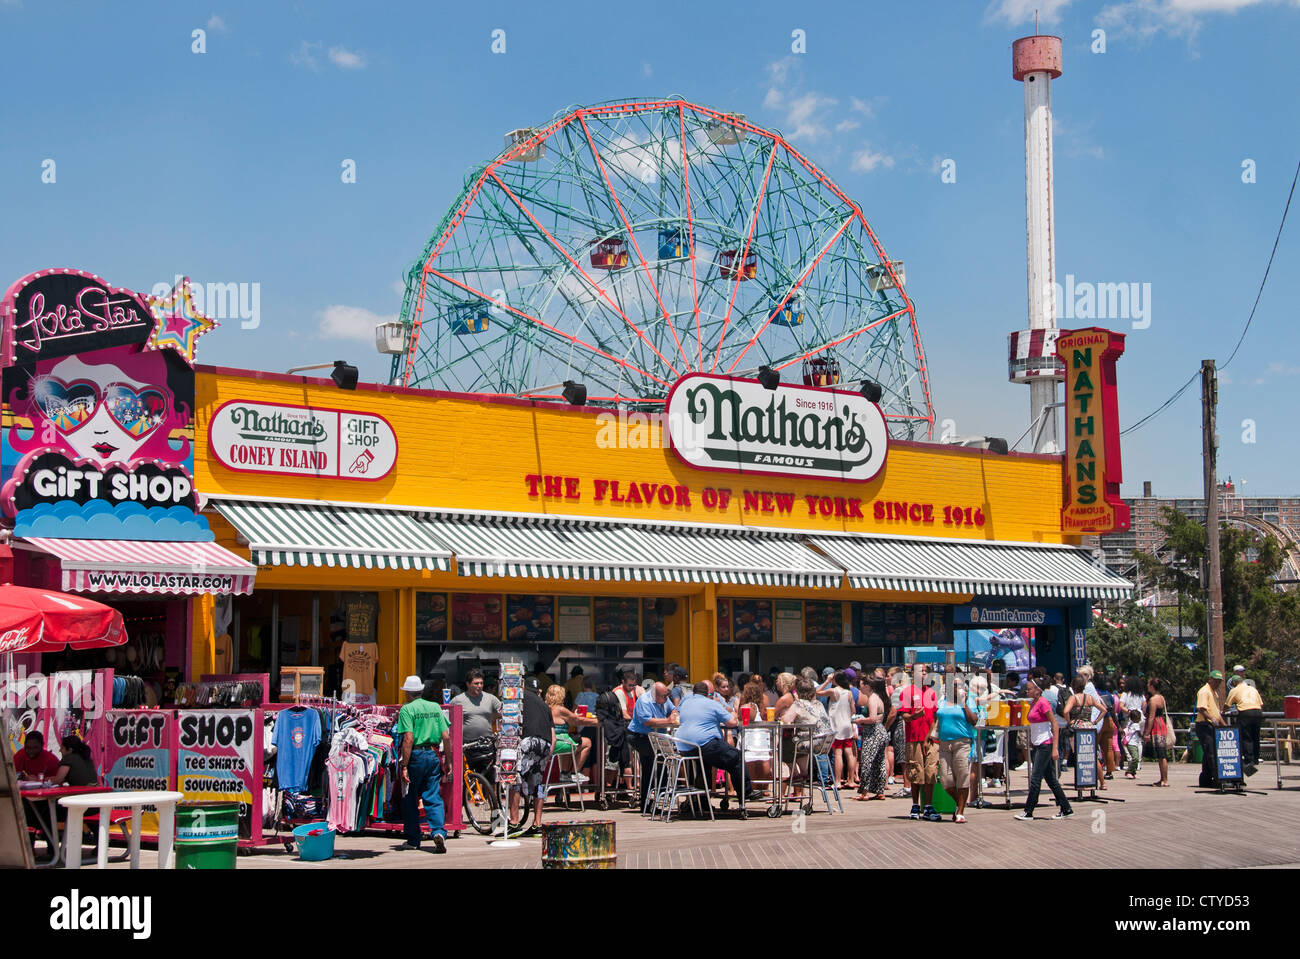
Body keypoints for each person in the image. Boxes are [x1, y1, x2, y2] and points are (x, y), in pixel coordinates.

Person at [674, 681, 757, 807]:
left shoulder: (686, 702)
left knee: (705, 764)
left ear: (693, 692)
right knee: (736, 757)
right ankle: (746, 793)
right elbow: (732, 722)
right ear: (708, 693)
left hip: (684, 746)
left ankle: (701, 801)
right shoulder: (712, 703)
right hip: (704, 743)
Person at [395, 676, 451, 853]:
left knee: (410, 798)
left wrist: (404, 765)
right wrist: (448, 760)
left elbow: (408, 738)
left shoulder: (406, 710)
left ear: (407, 694)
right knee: (433, 796)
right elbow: (446, 736)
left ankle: (413, 839)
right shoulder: (435, 707)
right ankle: (438, 832)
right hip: (433, 755)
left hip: (416, 757)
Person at [1014, 676, 1074, 821]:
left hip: (1045, 745)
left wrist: (1054, 749)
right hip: (1038, 744)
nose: (1026, 691)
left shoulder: (1043, 703)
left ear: (1037, 691)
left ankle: (1028, 811)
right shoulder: (1034, 703)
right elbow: (1035, 725)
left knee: (1035, 779)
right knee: (1051, 779)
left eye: (1029, 689)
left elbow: (1054, 725)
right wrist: (1031, 741)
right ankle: (1066, 808)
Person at [510, 677, 555, 833]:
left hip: (527, 741)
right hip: (545, 744)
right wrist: (547, 755)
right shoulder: (545, 706)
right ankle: (537, 824)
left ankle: (514, 823)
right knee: (538, 784)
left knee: (515, 780)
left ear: (523, 687)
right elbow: (553, 736)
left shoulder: (520, 698)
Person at [627, 681, 678, 811]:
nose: (666, 699)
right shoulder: (644, 701)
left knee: (658, 762)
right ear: (655, 695)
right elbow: (647, 721)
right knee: (652, 763)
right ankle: (646, 801)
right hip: (640, 736)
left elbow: (673, 708)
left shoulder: (664, 698)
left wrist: (673, 714)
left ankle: (658, 795)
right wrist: (667, 721)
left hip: (655, 736)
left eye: (667, 696)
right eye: (663, 696)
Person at [781, 676, 835, 799]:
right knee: (797, 742)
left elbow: (786, 720)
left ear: (798, 692)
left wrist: (783, 717)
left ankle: (795, 773)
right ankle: (803, 773)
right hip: (825, 742)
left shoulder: (799, 704)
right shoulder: (819, 703)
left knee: (784, 745)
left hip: (810, 742)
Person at [934, 678, 979, 823]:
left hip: (962, 742)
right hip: (945, 743)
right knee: (946, 780)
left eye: (957, 685)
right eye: (952, 684)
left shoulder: (969, 700)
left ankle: (960, 811)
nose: (954, 687)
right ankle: (960, 803)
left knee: (962, 776)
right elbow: (938, 720)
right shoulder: (942, 700)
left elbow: (974, 720)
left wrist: (963, 703)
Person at [898, 667, 940, 822]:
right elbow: (905, 716)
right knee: (916, 772)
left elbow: (935, 717)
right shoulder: (907, 692)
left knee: (930, 772)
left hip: (929, 740)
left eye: (925, 671)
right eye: (920, 671)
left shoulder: (932, 693)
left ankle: (928, 806)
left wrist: (928, 738)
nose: (923, 674)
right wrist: (915, 715)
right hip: (914, 739)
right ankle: (915, 804)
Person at [596, 671, 638, 795]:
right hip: (616, 730)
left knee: (627, 760)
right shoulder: (619, 692)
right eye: (629, 685)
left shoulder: (632, 692)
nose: (631, 688)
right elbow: (624, 713)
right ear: (623, 682)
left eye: (633, 685)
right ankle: (608, 787)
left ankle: (630, 788)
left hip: (627, 729)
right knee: (612, 760)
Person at [545, 683, 598, 781]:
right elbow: (577, 721)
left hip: (551, 741)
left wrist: (574, 715)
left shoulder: (545, 708)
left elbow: (572, 718)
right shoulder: (560, 709)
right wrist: (598, 722)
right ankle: (575, 772)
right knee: (587, 742)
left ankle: (565, 773)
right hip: (559, 743)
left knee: (571, 742)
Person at [1064, 674, 1108, 788]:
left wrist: (1070, 722)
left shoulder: (1073, 698)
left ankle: (1082, 783)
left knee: (1079, 756)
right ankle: (1102, 783)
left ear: (1073, 686)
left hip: (1078, 727)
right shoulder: (1090, 697)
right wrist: (1095, 721)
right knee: (1093, 755)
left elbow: (1065, 711)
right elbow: (1104, 710)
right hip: (1089, 727)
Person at [820, 671, 859, 789]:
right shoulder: (849, 693)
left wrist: (827, 681)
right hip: (847, 724)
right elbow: (853, 710)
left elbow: (817, 692)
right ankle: (851, 779)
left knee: (838, 753)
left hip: (836, 725)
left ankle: (837, 781)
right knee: (849, 752)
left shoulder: (834, 691)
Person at [854, 676, 889, 801]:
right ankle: (880, 791)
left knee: (866, 761)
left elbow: (873, 718)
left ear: (867, 686)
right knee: (879, 762)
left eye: (861, 685)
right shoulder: (877, 697)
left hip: (874, 733)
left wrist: (861, 720)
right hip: (880, 732)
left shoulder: (872, 699)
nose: (859, 687)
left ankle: (864, 792)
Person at [450, 668, 501, 748]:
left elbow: (505, 713)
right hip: (466, 745)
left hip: (487, 744)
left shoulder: (491, 698)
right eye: (476, 683)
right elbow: (447, 719)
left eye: (481, 683)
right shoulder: (458, 700)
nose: (479, 686)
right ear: (468, 684)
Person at [738, 679, 773, 793]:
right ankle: (764, 788)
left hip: (750, 735)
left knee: (750, 760)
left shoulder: (747, 706)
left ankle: (753, 787)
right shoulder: (764, 701)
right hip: (762, 732)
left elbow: (743, 719)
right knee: (764, 759)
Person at [1226, 676, 1264, 775]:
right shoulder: (1252, 688)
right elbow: (1260, 703)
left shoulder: (1234, 690)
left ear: (1234, 683)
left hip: (1245, 712)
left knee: (1246, 737)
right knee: (1256, 736)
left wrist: (1222, 711)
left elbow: (1227, 705)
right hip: (1258, 712)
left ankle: (1249, 760)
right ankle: (1256, 758)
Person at [1195, 670, 1226, 788]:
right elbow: (1202, 709)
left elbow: (1217, 713)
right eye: (1216, 681)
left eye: (1219, 682)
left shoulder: (1215, 693)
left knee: (1209, 753)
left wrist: (1224, 726)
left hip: (1212, 725)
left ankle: (1205, 779)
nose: (1217, 683)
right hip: (1204, 725)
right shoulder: (1204, 691)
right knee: (1211, 753)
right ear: (1210, 679)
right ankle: (1217, 778)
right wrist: (1212, 720)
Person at [1143, 677, 1172, 787]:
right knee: (1161, 754)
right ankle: (1163, 778)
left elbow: (1151, 717)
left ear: (1151, 686)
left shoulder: (1153, 700)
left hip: (1156, 726)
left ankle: (1165, 780)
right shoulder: (1161, 698)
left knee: (1161, 754)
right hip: (1162, 724)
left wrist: (1147, 732)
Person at [1118, 675, 1147, 779]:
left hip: (1130, 717)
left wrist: (1130, 713)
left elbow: (1121, 706)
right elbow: (1144, 705)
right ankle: (1137, 762)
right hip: (1140, 717)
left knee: (1127, 739)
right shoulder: (1141, 695)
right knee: (1139, 740)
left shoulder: (1126, 694)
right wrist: (1140, 713)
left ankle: (1131, 761)